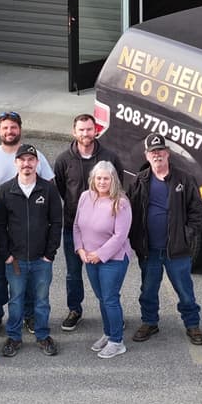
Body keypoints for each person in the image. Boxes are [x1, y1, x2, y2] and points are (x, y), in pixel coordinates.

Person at [0, 110, 54, 336]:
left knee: (26, 275)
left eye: (13, 127)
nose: (9, 131)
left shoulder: (34, 155)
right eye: (5, 127)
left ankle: (29, 316)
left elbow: (49, 187)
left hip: (28, 231)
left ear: (20, 130)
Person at [128, 135, 202, 346]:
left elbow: (197, 213)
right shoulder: (139, 180)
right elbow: (130, 212)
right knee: (148, 290)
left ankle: (192, 324)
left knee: (185, 291)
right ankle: (149, 322)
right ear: (147, 155)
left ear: (168, 153)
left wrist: (186, 235)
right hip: (149, 250)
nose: (157, 155)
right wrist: (135, 241)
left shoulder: (184, 179)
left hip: (177, 250)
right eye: (153, 152)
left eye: (160, 151)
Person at [54, 113, 123, 332]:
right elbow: (61, 189)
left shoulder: (110, 157)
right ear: (74, 132)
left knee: (107, 276)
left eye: (89, 129)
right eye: (81, 129)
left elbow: (118, 187)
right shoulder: (64, 159)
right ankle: (75, 309)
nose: (86, 133)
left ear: (96, 130)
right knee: (73, 273)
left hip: (105, 232)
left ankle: (111, 312)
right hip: (73, 228)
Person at [0, 144, 63, 358]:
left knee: (42, 300)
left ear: (37, 163)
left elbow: (56, 222)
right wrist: (6, 254)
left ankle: (42, 335)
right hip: (16, 260)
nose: (27, 164)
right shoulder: (5, 189)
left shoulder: (48, 189)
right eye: (22, 160)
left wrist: (49, 254)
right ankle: (14, 337)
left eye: (31, 160)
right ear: (16, 163)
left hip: (42, 259)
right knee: (16, 300)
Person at [72, 160, 132, 358]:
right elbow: (77, 226)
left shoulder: (120, 202)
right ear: (93, 179)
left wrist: (100, 254)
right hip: (89, 258)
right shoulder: (84, 197)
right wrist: (80, 249)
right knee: (101, 298)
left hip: (112, 259)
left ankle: (117, 341)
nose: (102, 182)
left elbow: (120, 236)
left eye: (106, 178)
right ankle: (108, 333)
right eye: (99, 178)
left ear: (113, 179)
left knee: (110, 299)